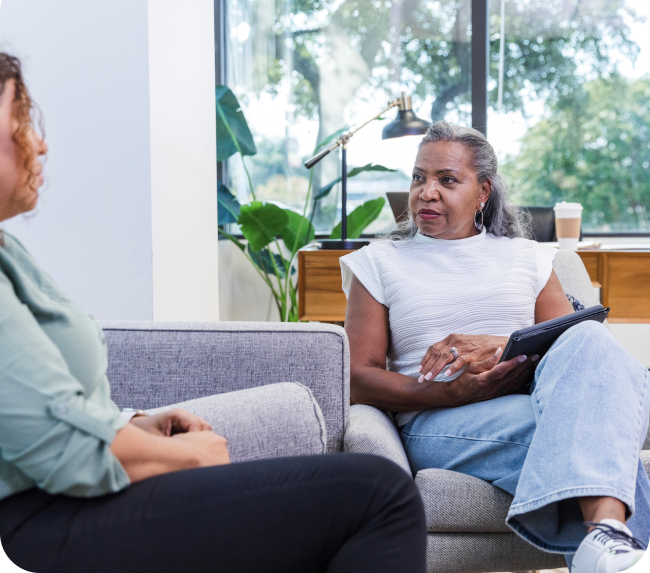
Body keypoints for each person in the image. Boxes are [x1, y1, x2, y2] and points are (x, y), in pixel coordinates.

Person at [0, 52, 426, 573]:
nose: (38, 142)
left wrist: (133, 422)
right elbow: (63, 450)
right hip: (31, 521)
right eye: (20, 122)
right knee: (379, 495)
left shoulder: (8, 254)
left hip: (57, 498)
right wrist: (190, 457)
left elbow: (30, 408)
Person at [342, 121, 649, 573]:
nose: (426, 192)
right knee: (596, 428)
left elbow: (572, 347)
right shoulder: (379, 261)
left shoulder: (527, 257)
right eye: (418, 178)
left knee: (586, 336)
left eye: (447, 180)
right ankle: (607, 537)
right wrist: (444, 393)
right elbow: (355, 377)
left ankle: (605, 545)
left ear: (483, 191)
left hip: (533, 399)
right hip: (436, 418)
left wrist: (500, 345)